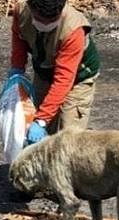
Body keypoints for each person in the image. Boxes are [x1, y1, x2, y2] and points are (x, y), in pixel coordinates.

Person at [9, 0, 100, 146]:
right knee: (38, 125)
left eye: (51, 21)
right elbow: (20, 37)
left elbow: (64, 79)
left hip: (78, 76)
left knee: (68, 137)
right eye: (40, 20)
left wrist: (42, 120)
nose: (45, 25)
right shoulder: (21, 11)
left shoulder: (73, 29)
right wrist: (17, 68)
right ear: (31, 9)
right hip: (45, 71)